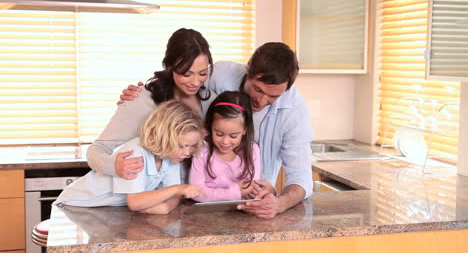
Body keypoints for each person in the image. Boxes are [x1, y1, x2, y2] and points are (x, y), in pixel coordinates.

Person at [121, 42, 314, 219]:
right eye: (258, 89)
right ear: (248, 69)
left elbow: (300, 175)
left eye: (273, 96)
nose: (261, 101)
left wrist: (281, 203)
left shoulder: (294, 112)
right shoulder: (219, 75)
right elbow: (182, 79)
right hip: (185, 194)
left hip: (249, 206)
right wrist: (143, 95)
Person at [86, 28, 216, 181]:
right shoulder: (141, 100)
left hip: (194, 195)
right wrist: (113, 165)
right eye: (186, 74)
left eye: (202, 73)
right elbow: (96, 150)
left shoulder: (210, 101)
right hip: (150, 198)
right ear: (169, 67)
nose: (195, 82)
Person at [54, 100, 206, 214]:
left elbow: (171, 195)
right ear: (164, 137)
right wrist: (178, 189)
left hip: (103, 209)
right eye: (182, 145)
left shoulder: (172, 158)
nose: (187, 153)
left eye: (191, 146)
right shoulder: (135, 153)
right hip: (74, 205)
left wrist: (166, 207)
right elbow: (136, 202)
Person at [189, 91, 260, 202]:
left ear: (245, 130)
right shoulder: (202, 150)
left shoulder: (252, 150)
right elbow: (196, 192)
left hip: (241, 213)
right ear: (210, 126)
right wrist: (233, 193)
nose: (225, 142)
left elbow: (251, 189)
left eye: (233, 136)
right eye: (219, 134)